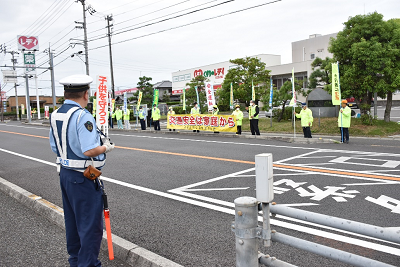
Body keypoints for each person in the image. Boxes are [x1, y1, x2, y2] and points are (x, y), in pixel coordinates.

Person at [49, 74, 115, 267]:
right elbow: (89, 150)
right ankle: (88, 265)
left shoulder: (56, 114)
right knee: (90, 227)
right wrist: (106, 147)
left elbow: (54, 146)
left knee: (73, 223)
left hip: (66, 175)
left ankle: (76, 261)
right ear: (86, 94)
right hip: (83, 178)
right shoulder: (82, 115)